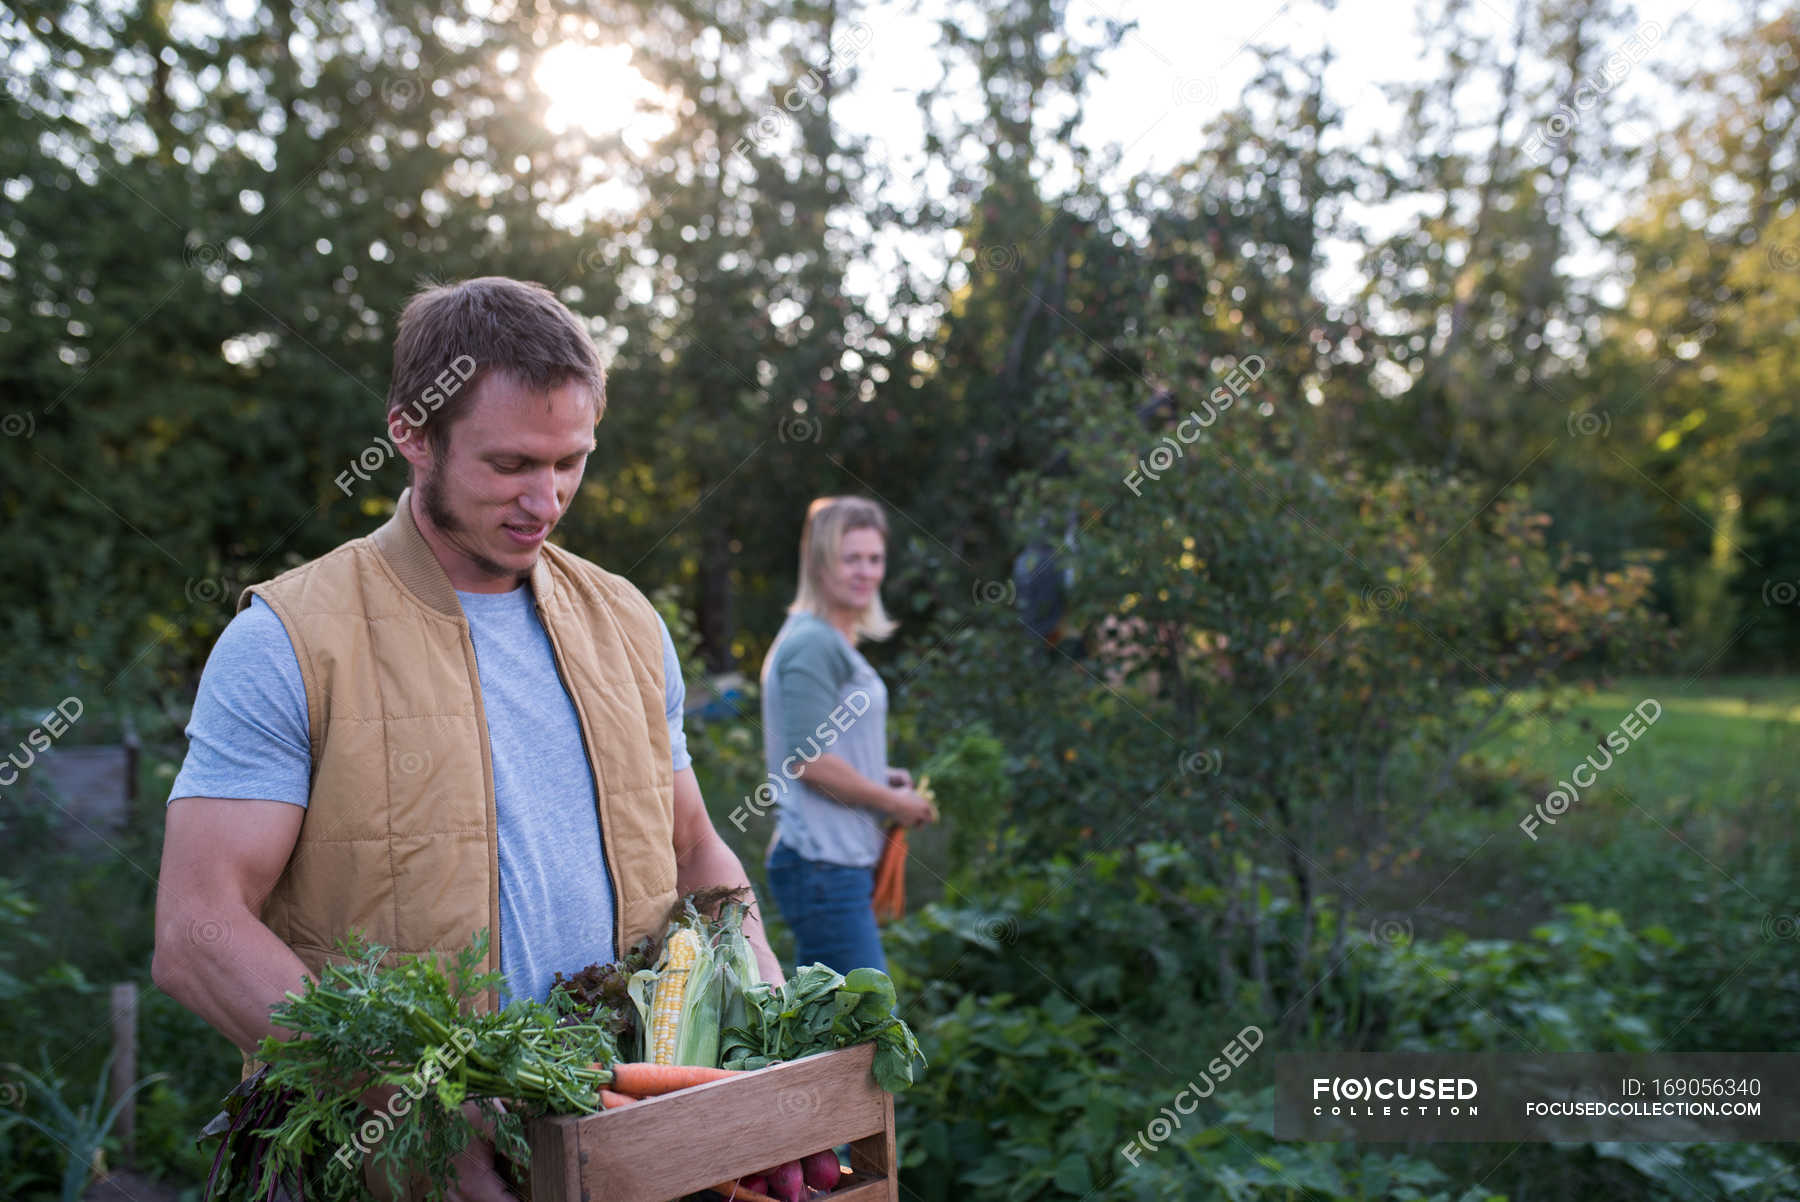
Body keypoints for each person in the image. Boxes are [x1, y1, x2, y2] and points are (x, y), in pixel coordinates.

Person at [152, 276, 782, 1202]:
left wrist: (767, 1026)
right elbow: (197, 932)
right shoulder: (288, 640)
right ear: (412, 432)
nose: (547, 499)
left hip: (628, 1139)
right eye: (511, 464)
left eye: (572, 461)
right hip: (375, 1163)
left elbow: (695, 848)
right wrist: (403, 1111)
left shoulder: (628, 622)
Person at [758, 496, 937, 975]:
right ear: (820, 563)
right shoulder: (813, 643)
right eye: (851, 558)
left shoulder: (831, 641)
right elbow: (809, 763)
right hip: (822, 868)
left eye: (874, 559)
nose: (866, 571)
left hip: (832, 869)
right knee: (872, 1035)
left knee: (833, 1032)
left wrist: (879, 776)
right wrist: (890, 801)